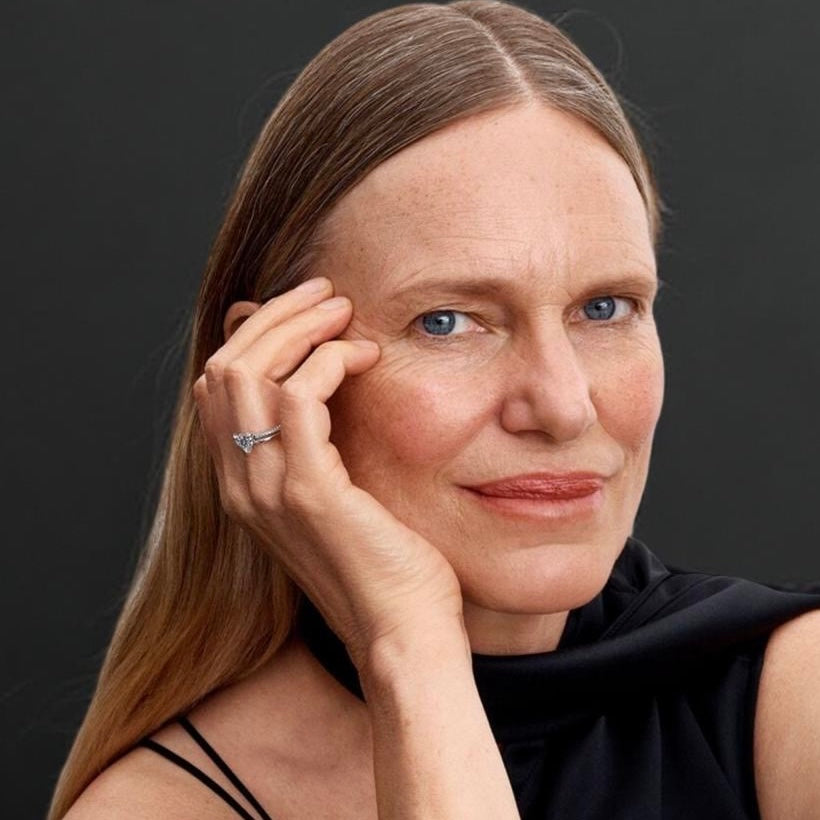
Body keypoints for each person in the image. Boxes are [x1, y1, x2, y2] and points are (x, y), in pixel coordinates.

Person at [50, 2, 820, 818]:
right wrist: (408, 647)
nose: (562, 407)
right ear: (270, 376)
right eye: (448, 321)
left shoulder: (795, 693)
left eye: (605, 309)